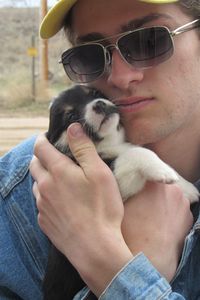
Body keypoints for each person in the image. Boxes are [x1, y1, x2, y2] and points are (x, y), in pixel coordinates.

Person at [0, 0, 200, 299]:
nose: (120, 76)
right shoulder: (17, 194)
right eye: (90, 55)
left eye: (150, 40)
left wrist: (112, 269)